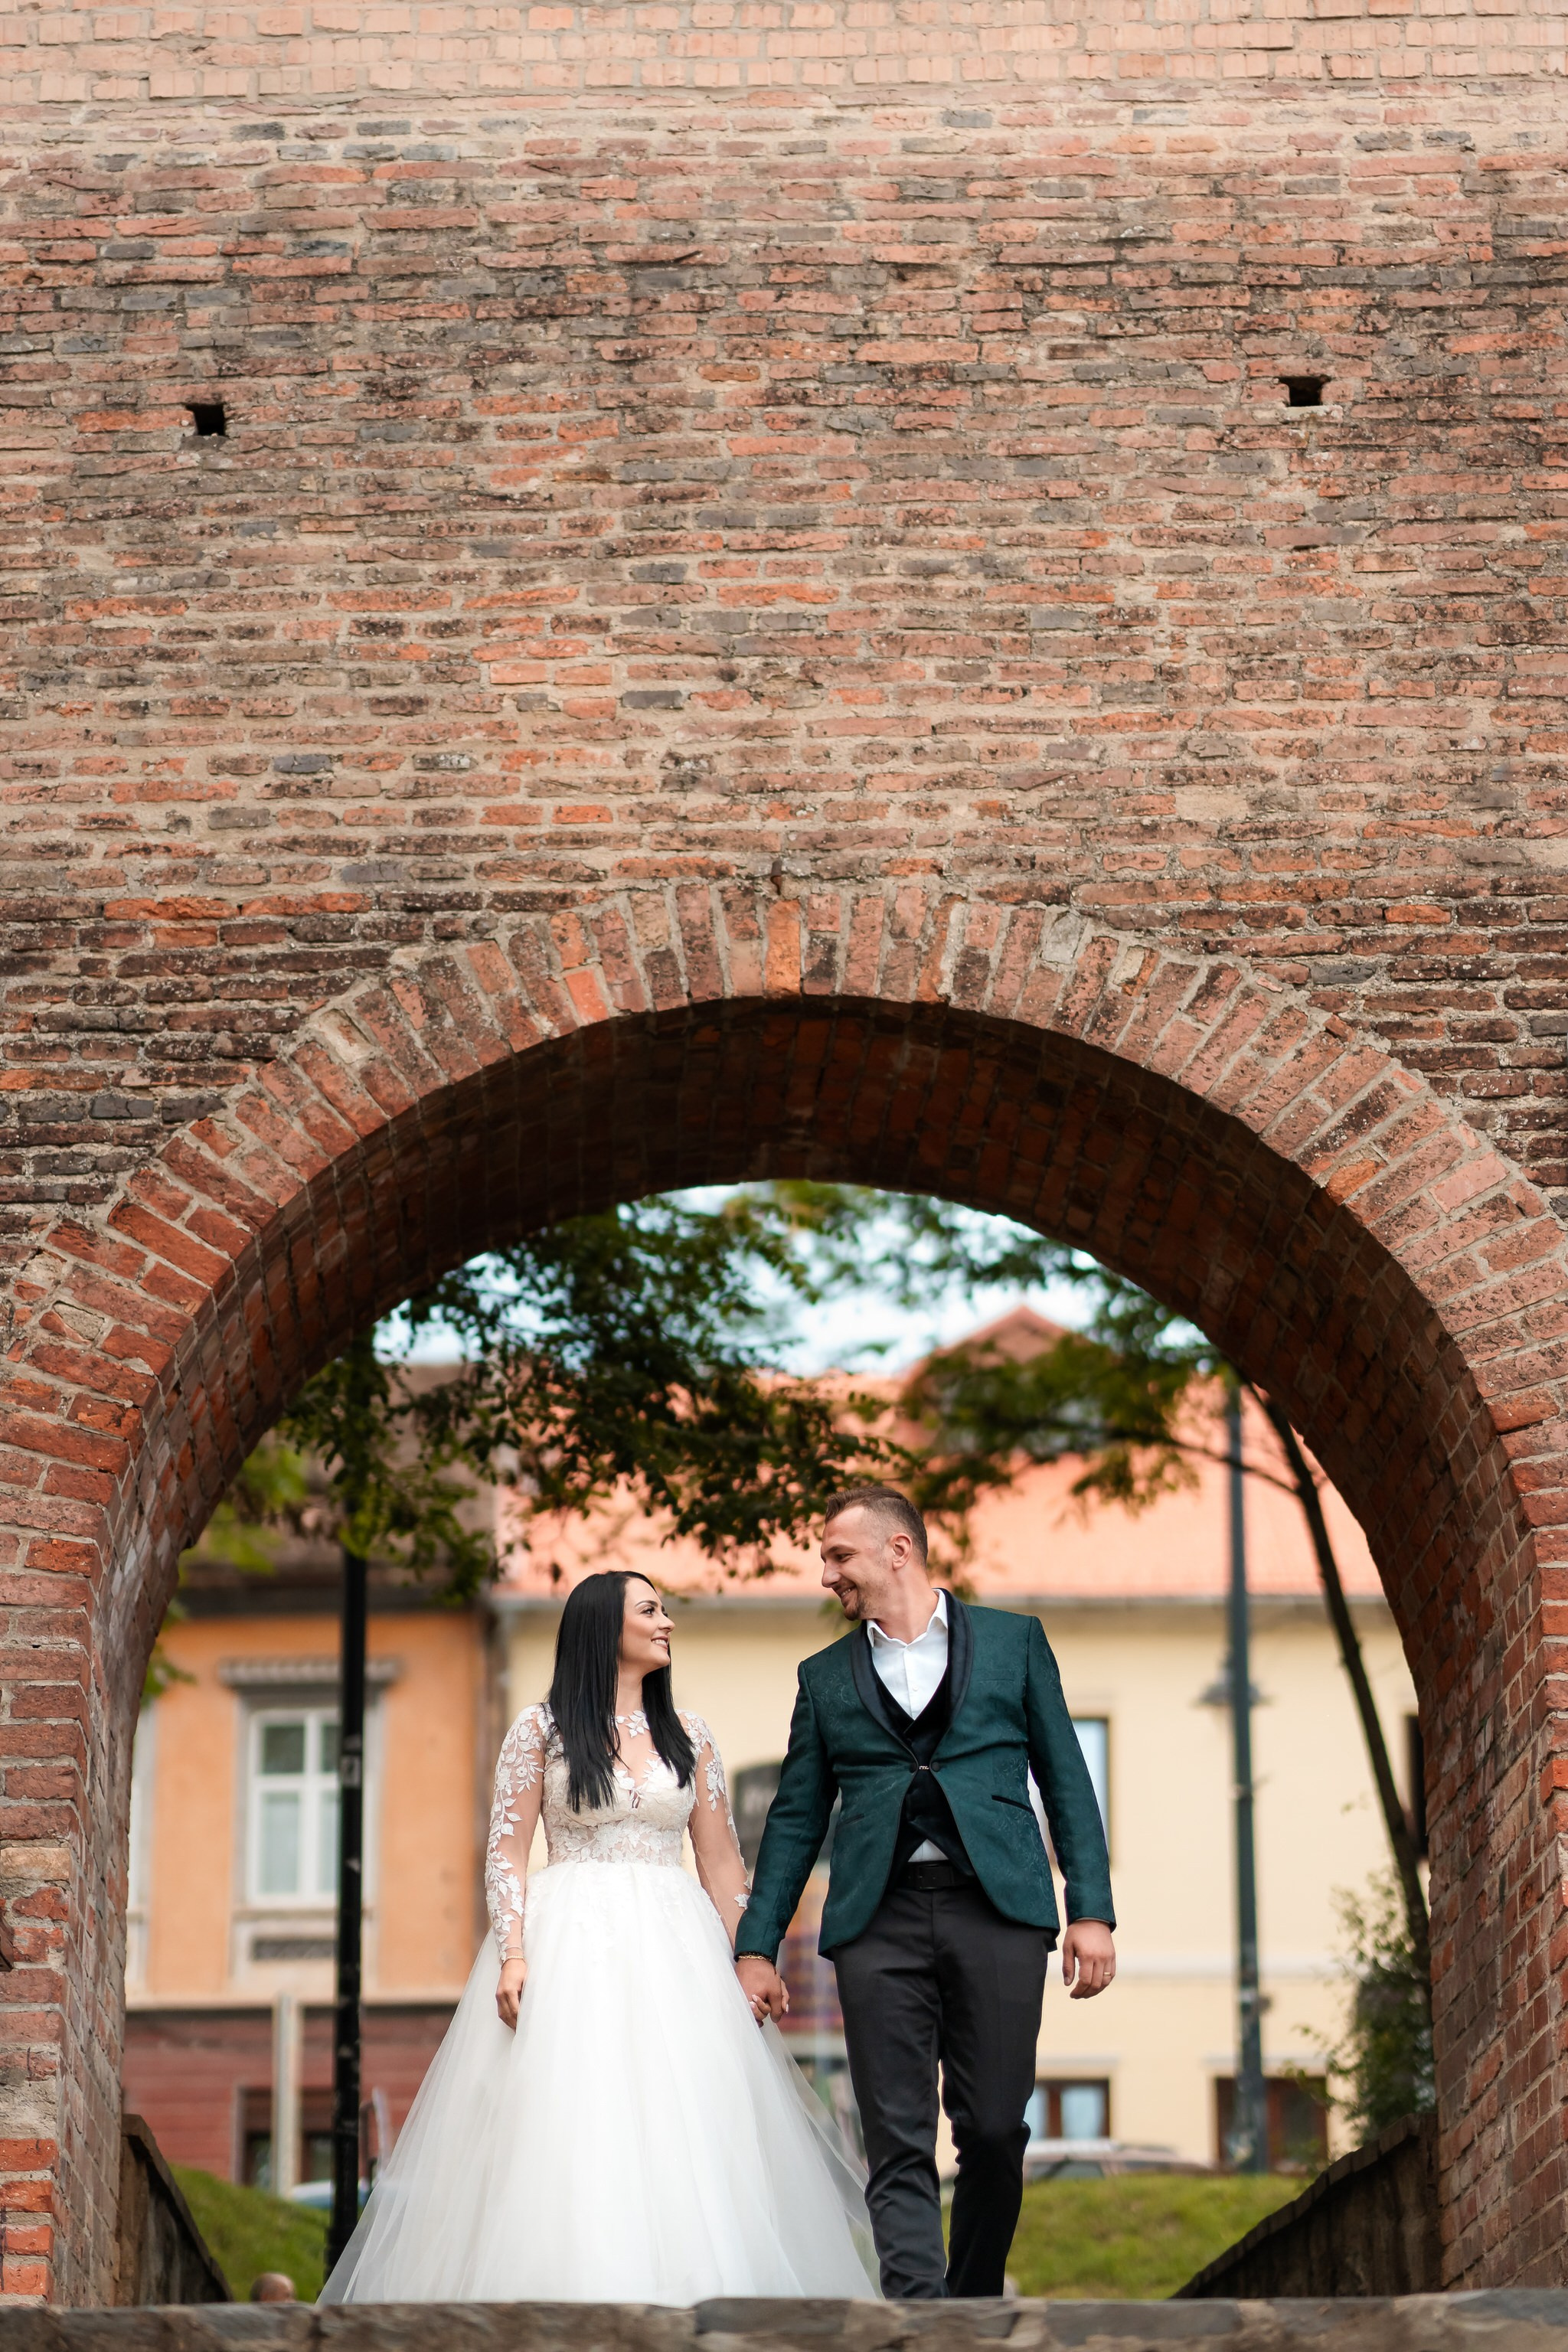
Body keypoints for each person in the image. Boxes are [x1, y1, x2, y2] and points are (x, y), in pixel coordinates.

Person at [320, 1570, 877, 2304]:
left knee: (688, 2115)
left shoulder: (692, 1735)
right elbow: (506, 1852)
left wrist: (754, 1956)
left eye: (665, 1610)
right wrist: (513, 1952)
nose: (667, 1623)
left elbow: (721, 1863)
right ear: (603, 1628)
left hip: (677, 1950)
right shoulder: (540, 1731)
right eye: (650, 1610)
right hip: (572, 1943)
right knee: (576, 2110)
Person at [735, 1485, 1116, 2301]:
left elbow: (1066, 1781)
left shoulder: (1014, 1644)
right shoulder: (823, 1678)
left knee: (993, 2129)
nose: (827, 1575)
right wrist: (756, 1946)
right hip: (878, 1920)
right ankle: (917, 2317)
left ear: (897, 1550)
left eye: (839, 1556)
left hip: (998, 1911)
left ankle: (969, 2309)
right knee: (896, 2136)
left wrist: (1088, 1907)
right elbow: (796, 1818)